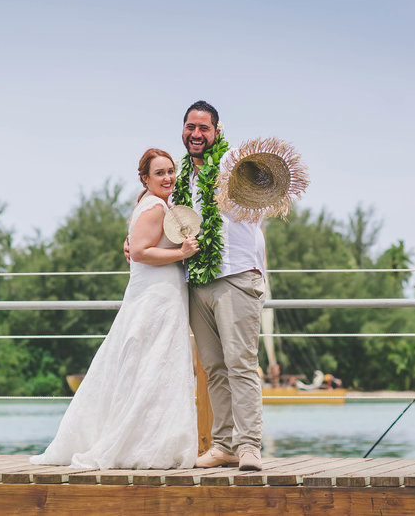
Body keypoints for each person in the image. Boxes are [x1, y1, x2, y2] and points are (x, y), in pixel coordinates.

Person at [30, 148, 200, 469]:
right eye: (160, 173)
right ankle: (141, 444)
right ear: (145, 178)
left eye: (170, 171)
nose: (167, 178)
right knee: (152, 363)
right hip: (156, 297)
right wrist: (183, 253)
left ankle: (150, 441)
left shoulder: (151, 204)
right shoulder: (153, 207)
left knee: (150, 365)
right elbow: (139, 251)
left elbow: (134, 245)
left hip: (157, 294)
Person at [174, 100, 267, 472]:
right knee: (213, 367)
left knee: (241, 363)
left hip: (237, 275)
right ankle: (224, 444)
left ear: (217, 132)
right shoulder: (184, 177)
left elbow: (264, 199)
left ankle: (249, 446)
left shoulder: (234, 167)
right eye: (190, 127)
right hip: (199, 281)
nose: (196, 134)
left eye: (204, 128)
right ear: (183, 130)